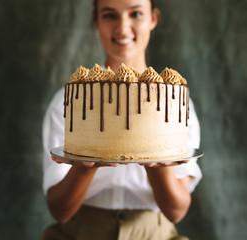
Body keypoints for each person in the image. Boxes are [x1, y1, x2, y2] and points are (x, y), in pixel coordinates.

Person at [41, 0, 202, 239]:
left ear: (153, 18)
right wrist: (84, 169)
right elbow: (59, 211)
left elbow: (177, 211)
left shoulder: (174, 101)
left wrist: (156, 163)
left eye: (136, 13)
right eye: (109, 15)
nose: (123, 27)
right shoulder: (71, 101)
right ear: (96, 20)